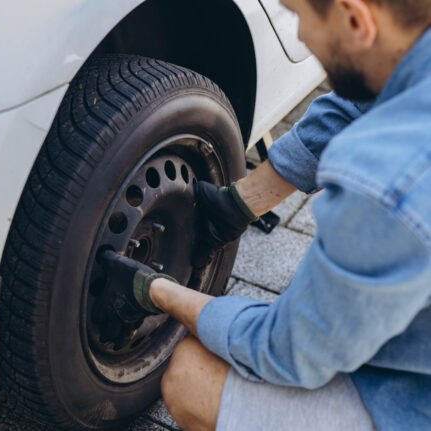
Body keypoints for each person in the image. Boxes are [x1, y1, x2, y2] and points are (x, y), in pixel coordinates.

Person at [98, 0, 431, 429]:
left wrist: (157, 290)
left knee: (191, 376)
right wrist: (236, 206)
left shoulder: (387, 180)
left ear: (355, 19)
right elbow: (355, 105)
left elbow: (288, 354)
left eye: (299, 16)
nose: (301, 38)